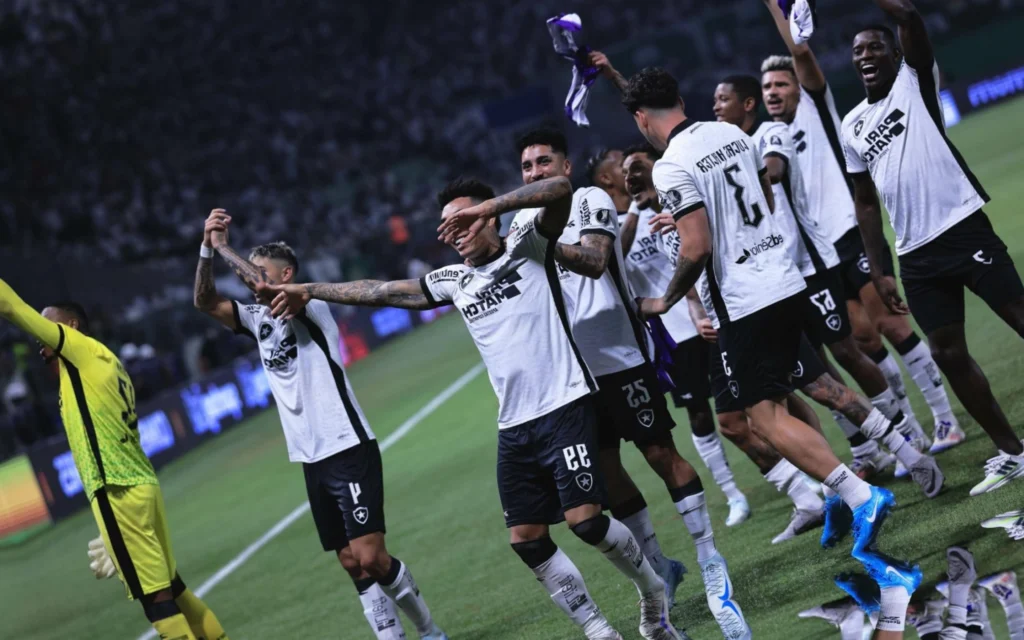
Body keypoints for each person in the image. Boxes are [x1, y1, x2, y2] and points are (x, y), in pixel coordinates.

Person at [266, 178, 683, 640]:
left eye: (463, 220)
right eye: (448, 226)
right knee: (526, 540)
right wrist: (312, 290)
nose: (456, 232)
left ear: (490, 216)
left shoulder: (529, 247)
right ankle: (600, 631)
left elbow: (560, 189)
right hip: (514, 428)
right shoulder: (454, 280)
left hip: (566, 405)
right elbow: (380, 290)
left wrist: (488, 205)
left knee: (584, 522)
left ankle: (652, 592)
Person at [622, 66, 900, 565]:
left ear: (642, 118)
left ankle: (861, 495)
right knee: (793, 396)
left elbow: (698, 245)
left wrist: (666, 299)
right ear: (681, 99)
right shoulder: (731, 133)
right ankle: (859, 482)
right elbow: (763, 199)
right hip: (784, 277)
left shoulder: (670, 165)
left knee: (763, 417)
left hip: (746, 300)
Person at [512, 129, 748, 637]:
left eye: (543, 162)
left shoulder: (590, 199)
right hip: (571, 377)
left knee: (661, 453)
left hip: (621, 356)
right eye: (527, 166)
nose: (535, 172)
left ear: (566, 167)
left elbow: (596, 263)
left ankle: (709, 558)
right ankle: (661, 566)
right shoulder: (520, 221)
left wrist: (546, 244)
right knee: (607, 473)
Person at [192, 209, 446, 640]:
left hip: (346, 445)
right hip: (310, 456)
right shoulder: (258, 322)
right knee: (349, 560)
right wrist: (204, 250)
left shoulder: (308, 304)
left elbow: (262, 286)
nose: (254, 279)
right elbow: (204, 301)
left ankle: (430, 631)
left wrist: (222, 247)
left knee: (372, 557)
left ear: (286, 273)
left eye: (263, 269)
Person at [710, 74, 943, 499]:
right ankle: (867, 451)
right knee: (813, 371)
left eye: (723, 99)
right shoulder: (725, 156)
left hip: (808, 264)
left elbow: (776, 171)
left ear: (746, 104)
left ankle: (907, 434)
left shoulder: (769, 133)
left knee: (846, 351)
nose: (715, 107)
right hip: (772, 281)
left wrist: (750, 177)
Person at [759, 0, 962, 459]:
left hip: (851, 233)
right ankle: (908, 425)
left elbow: (802, 53)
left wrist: (775, 7)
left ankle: (945, 416)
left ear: (797, 86)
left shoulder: (815, 109)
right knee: (864, 341)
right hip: (821, 253)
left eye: (780, 83)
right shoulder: (769, 137)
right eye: (766, 87)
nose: (773, 92)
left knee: (891, 324)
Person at [841, 0, 1024, 496]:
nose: (865, 55)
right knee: (946, 352)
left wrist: (897, 15)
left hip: (963, 227)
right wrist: (880, 270)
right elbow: (865, 203)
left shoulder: (913, 82)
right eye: (858, 50)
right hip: (916, 255)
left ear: (894, 53)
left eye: (875, 46)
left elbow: (910, 20)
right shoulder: (851, 124)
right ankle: (1012, 453)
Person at [621, 142, 831, 544]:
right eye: (624, 172)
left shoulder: (686, 192)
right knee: (731, 420)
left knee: (795, 397)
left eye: (635, 168)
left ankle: (848, 478)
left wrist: (674, 304)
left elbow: (709, 247)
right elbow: (690, 272)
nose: (630, 178)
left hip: (745, 309)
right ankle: (808, 494)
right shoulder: (650, 220)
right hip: (707, 327)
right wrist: (698, 313)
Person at [0, 280, 228, 640]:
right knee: (173, 588)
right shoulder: (105, 359)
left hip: (116, 490)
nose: (38, 338)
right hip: (141, 485)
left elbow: (11, 307)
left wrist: (116, 518)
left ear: (71, 327)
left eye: (48, 326)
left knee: (156, 601)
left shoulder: (77, 351)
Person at [590, 142, 753, 528]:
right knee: (700, 415)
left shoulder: (665, 198)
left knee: (749, 402)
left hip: (710, 318)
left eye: (633, 164)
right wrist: (634, 208)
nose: (628, 170)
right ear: (605, 179)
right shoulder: (605, 227)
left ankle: (795, 477)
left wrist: (698, 308)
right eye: (618, 164)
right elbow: (615, 256)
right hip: (674, 334)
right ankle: (733, 494)